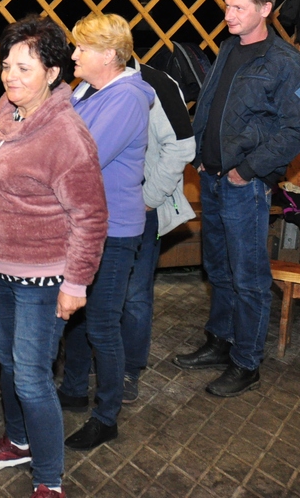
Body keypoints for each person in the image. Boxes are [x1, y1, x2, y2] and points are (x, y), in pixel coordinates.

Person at [0, 16, 108, 498]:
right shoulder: (10, 108)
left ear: (53, 73)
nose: (11, 76)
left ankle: (49, 481)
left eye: (24, 68)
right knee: (9, 365)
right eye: (6, 66)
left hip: (44, 278)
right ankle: (18, 442)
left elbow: (90, 217)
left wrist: (76, 284)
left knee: (33, 379)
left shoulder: (65, 134)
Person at [173, 0, 300, 397]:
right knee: (218, 268)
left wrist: (250, 169)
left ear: (265, 8)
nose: (228, 15)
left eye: (238, 7)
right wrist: (199, 153)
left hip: (244, 185)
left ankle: (247, 362)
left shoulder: (284, 60)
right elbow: (209, 105)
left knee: (249, 277)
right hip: (212, 177)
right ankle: (221, 341)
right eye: (226, 6)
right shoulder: (228, 48)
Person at [56, 13, 154, 451]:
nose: (74, 54)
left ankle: (107, 416)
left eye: (82, 48)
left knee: (102, 324)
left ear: (109, 55)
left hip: (114, 228)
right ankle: (74, 389)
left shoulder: (127, 97)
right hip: (84, 224)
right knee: (77, 315)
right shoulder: (87, 90)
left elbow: (84, 157)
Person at [119, 60, 196, 403]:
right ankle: (103, 357)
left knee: (135, 293)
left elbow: (182, 146)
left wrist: (149, 198)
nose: (76, 55)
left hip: (139, 206)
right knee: (98, 288)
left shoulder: (156, 83)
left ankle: (129, 369)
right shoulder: (86, 84)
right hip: (99, 207)